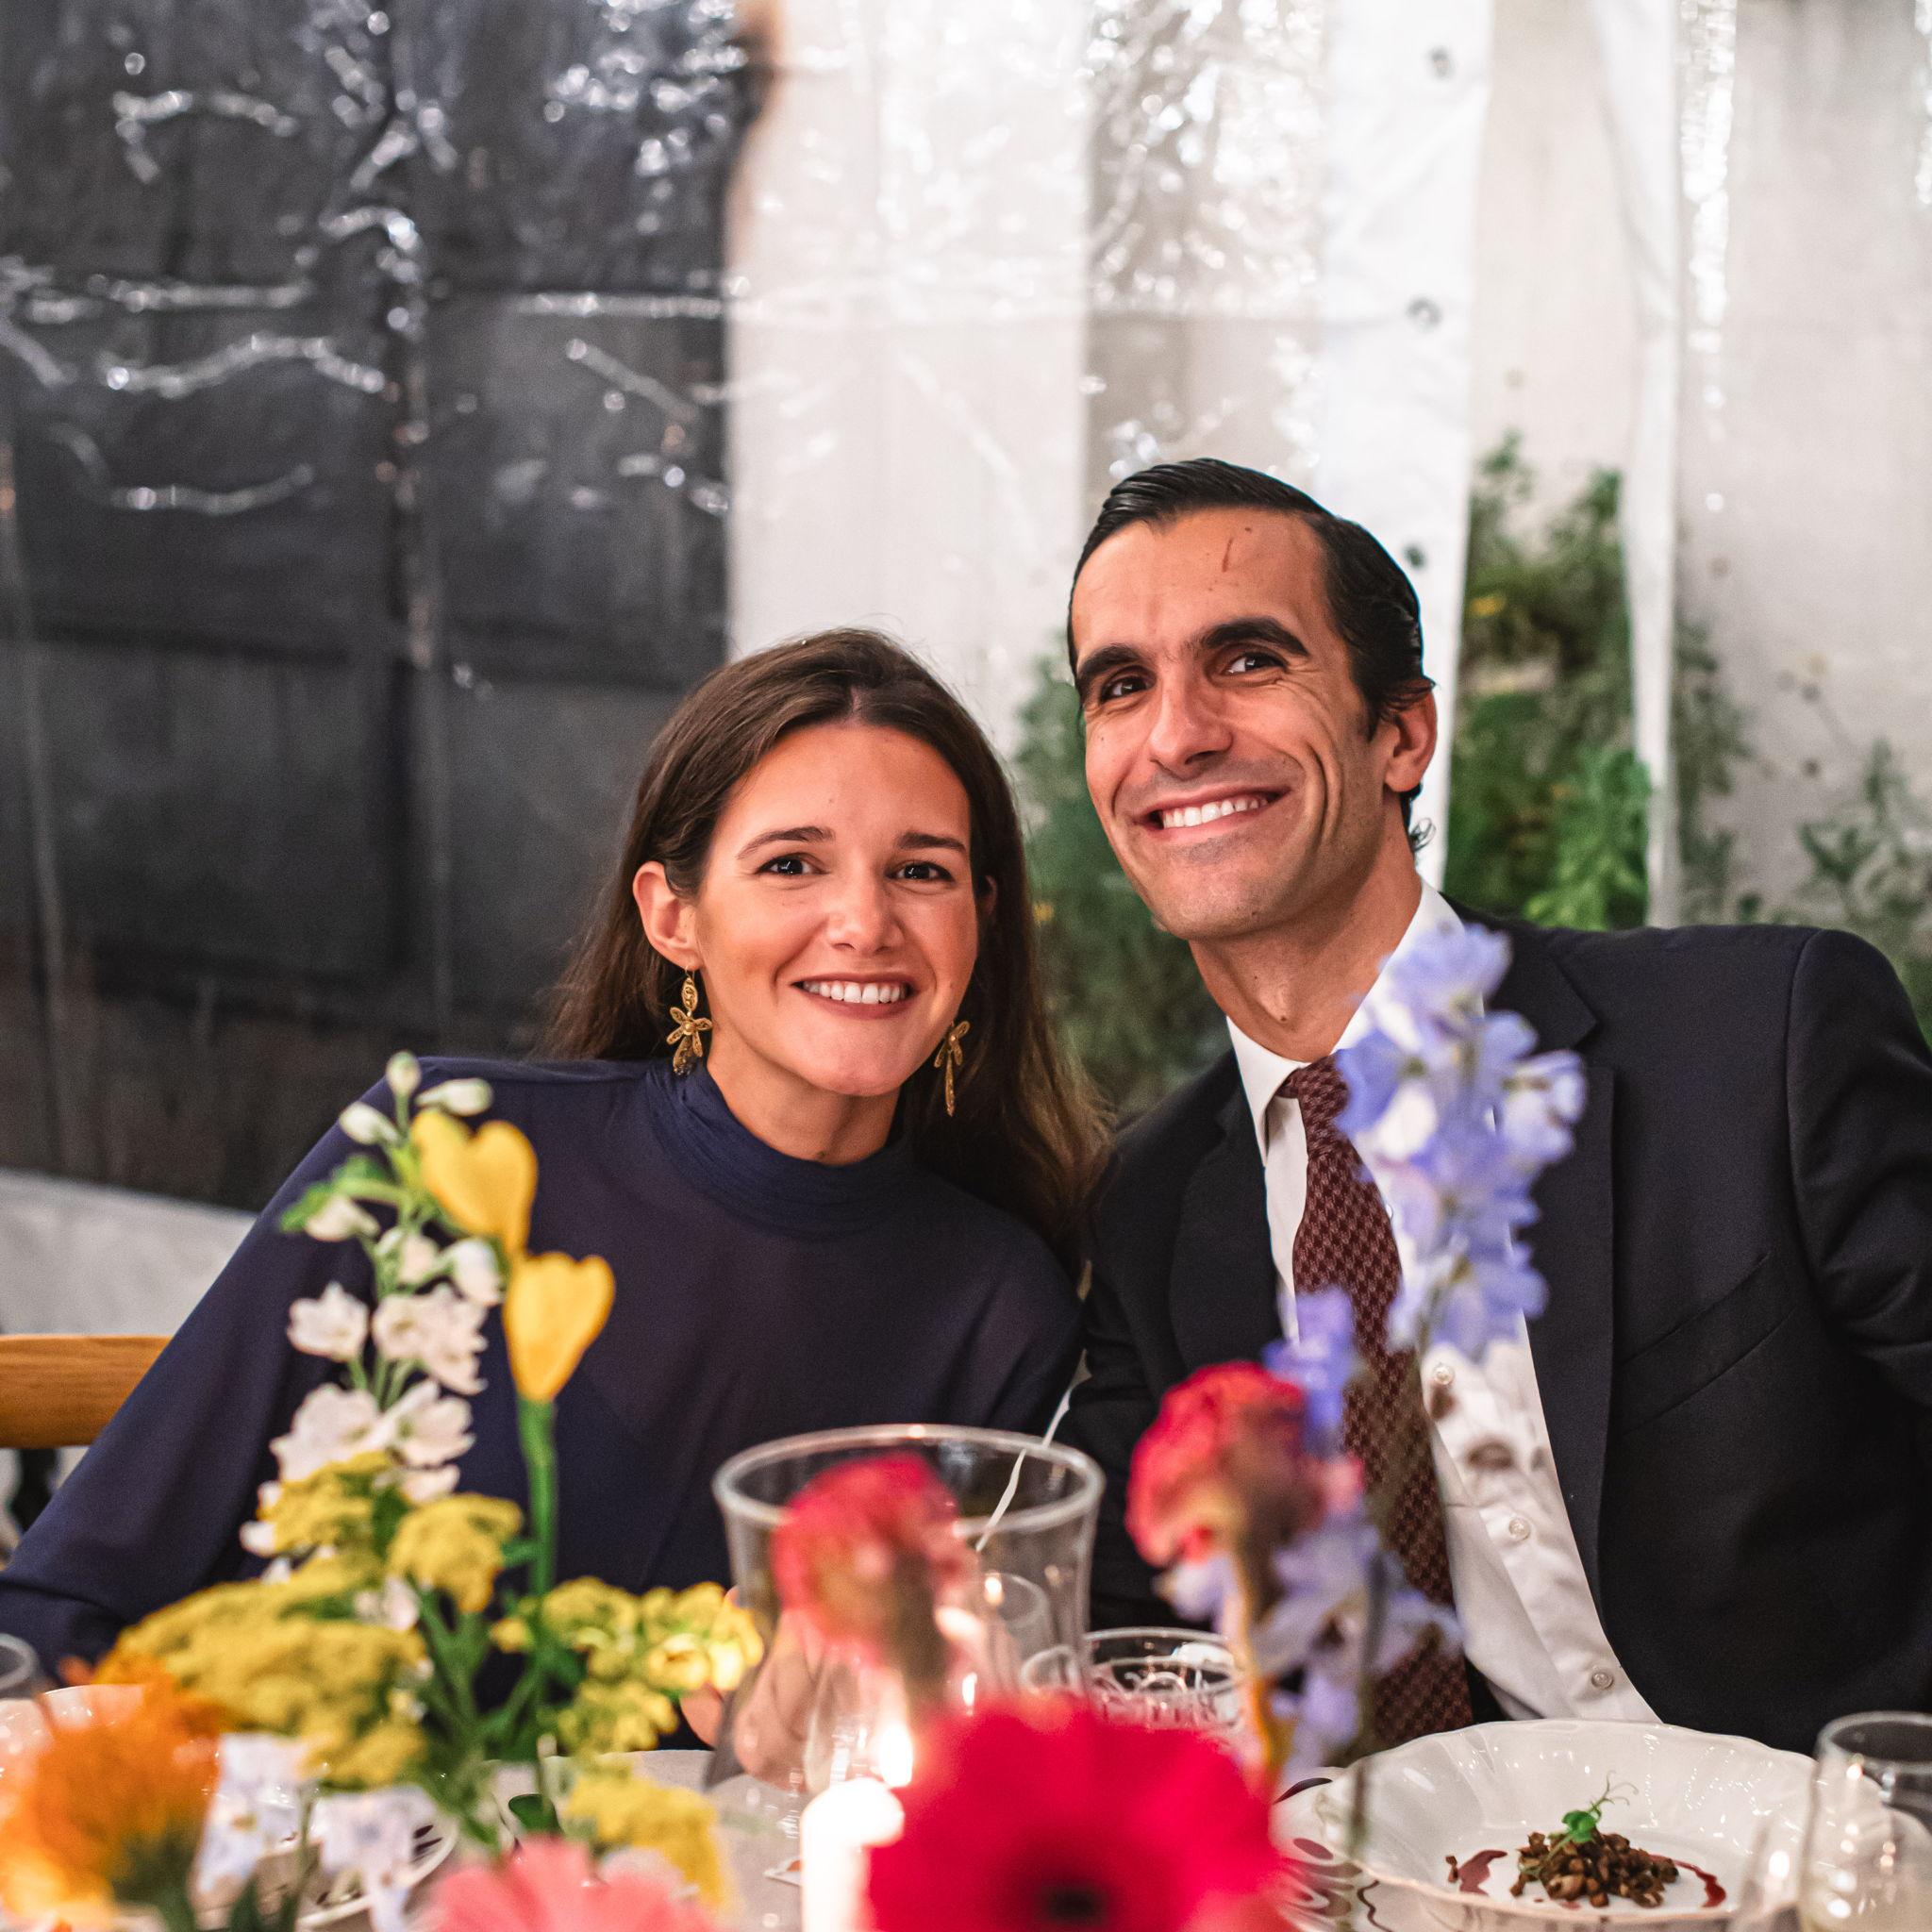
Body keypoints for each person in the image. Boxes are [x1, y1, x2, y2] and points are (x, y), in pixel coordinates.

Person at [0, 629, 1102, 1672]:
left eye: (920, 871)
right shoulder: (448, 1153)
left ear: (978, 919)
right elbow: (66, 1598)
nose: (863, 922)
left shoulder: (999, 1305)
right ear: (672, 917)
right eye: (790, 864)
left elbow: (895, 1709)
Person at [1057, 458, 1932, 1756]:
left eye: (1247, 660)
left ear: (1401, 734)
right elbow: (1110, 1624)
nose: (1176, 734)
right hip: (1434, 1852)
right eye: (1120, 684)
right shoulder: (1152, 1209)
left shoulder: (1762, 1042)